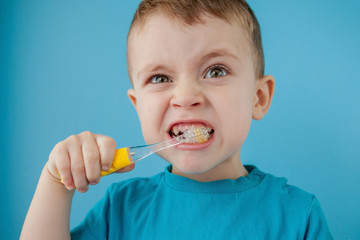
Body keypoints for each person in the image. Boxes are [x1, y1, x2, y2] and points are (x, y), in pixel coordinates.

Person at [20, 0, 333, 239]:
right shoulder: (121, 209)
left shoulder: (298, 216)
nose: (185, 96)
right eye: (160, 77)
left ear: (259, 97)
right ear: (137, 105)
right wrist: (57, 181)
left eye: (216, 71)